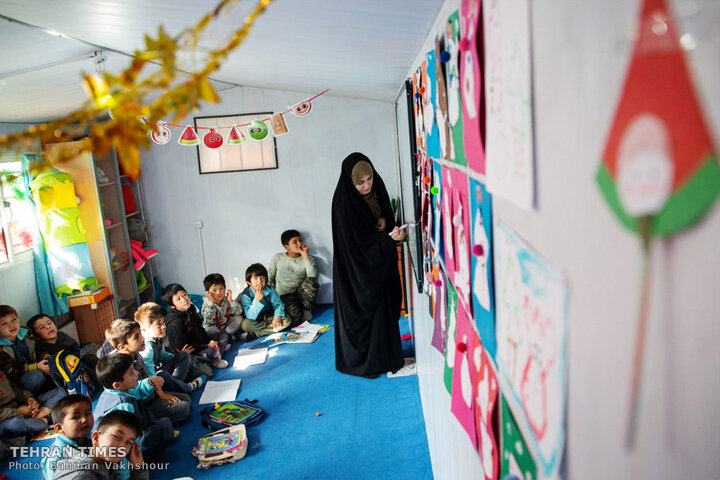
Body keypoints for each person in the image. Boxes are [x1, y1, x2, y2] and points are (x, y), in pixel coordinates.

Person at [331, 152, 405, 378]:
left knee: (385, 309)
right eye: (360, 182)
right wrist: (384, 239)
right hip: (358, 273)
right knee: (369, 315)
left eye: (369, 179)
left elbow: (382, 218)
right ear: (350, 182)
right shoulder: (344, 203)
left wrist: (384, 221)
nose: (366, 186)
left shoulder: (377, 188)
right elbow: (358, 245)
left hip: (380, 267)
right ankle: (368, 361)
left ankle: (388, 356)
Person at [103, 319, 190, 426]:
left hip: (150, 395)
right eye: (136, 337)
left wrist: (160, 393)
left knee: (186, 399)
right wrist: (158, 394)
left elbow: (149, 375)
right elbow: (132, 393)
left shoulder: (137, 354)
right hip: (142, 405)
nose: (142, 338)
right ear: (122, 347)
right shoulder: (119, 367)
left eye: (140, 334)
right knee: (183, 408)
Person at [94, 353, 175, 457]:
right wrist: (136, 456)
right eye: (131, 372)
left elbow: (137, 389)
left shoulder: (114, 390)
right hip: (122, 449)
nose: (137, 373)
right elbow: (127, 437)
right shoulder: (122, 406)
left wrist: (149, 382)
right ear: (117, 385)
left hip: (130, 435)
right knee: (164, 424)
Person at [53, 409, 148, 480]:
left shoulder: (106, 465)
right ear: (96, 438)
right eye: (117, 436)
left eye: (128, 442)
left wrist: (137, 468)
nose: (122, 446)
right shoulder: (81, 474)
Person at [135, 302, 205, 395]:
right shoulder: (147, 346)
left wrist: (179, 357)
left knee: (184, 355)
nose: (163, 326)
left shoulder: (157, 339)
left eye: (163, 322)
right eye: (158, 324)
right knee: (162, 375)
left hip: (164, 372)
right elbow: (149, 370)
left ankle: (178, 384)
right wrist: (157, 387)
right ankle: (186, 387)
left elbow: (163, 355)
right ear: (144, 329)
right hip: (155, 380)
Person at [162, 283, 229, 369]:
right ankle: (214, 359)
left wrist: (209, 341)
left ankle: (215, 355)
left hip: (200, 343)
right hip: (191, 352)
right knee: (213, 351)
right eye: (178, 299)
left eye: (184, 295)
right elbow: (187, 348)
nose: (184, 300)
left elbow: (200, 329)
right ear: (172, 305)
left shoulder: (191, 309)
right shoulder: (175, 324)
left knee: (223, 335)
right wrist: (207, 346)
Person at [28, 313, 99, 388]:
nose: (48, 327)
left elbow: (75, 348)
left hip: (74, 362)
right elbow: (50, 363)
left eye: (49, 323)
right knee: (86, 370)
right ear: (36, 336)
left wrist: (74, 360)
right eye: (42, 327)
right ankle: (100, 382)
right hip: (63, 374)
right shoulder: (41, 348)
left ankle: (106, 374)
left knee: (90, 358)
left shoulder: (62, 337)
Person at [268, 229, 319, 325]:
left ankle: (306, 309)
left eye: (300, 240)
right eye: (295, 242)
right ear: (286, 247)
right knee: (295, 318)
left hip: (301, 294)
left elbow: (312, 276)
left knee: (311, 282)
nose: (299, 243)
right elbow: (270, 277)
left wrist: (305, 256)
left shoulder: (307, 257)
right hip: (285, 295)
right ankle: (297, 310)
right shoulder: (278, 258)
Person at [0, 305, 53, 394]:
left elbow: (37, 350)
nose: (12, 325)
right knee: (37, 375)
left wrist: (46, 357)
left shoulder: (25, 332)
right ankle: (34, 397)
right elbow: (10, 372)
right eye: (4, 323)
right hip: (19, 381)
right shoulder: (1, 348)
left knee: (55, 361)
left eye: (14, 320)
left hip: (37, 367)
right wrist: (36, 367)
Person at [0, 368, 66, 439]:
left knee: (61, 392)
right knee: (16, 423)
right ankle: (44, 420)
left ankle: (36, 419)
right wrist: (16, 412)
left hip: (20, 407)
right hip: (6, 419)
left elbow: (15, 390)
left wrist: (29, 399)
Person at [41, 394, 94, 480]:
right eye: (76, 417)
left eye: (88, 413)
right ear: (59, 428)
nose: (84, 419)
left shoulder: (93, 437)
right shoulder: (56, 458)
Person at [238, 263, 291, 337]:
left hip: (269, 316)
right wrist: (257, 300)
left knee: (287, 320)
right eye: (255, 278)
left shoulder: (270, 290)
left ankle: (256, 334)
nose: (260, 281)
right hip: (256, 320)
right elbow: (250, 316)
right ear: (249, 282)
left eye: (262, 278)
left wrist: (277, 317)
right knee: (245, 325)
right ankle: (270, 328)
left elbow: (278, 304)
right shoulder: (245, 295)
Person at [201, 273, 244, 342]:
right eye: (214, 290)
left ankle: (227, 337)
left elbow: (239, 311)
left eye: (221, 288)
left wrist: (230, 301)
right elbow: (209, 320)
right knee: (209, 330)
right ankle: (230, 338)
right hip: (214, 329)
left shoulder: (225, 300)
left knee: (239, 318)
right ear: (208, 292)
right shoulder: (207, 305)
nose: (219, 292)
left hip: (225, 327)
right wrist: (211, 302)